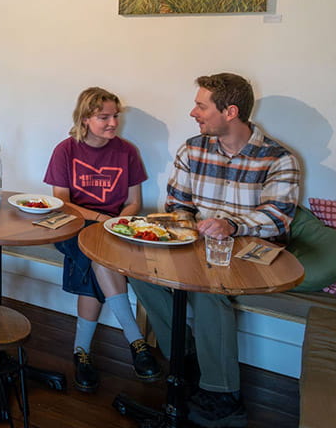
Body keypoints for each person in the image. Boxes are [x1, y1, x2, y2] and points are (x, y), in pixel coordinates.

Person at [129, 73, 300, 428]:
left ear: (230, 111)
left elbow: (277, 218)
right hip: (197, 247)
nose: (193, 112)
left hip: (250, 253)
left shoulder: (278, 159)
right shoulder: (193, 148)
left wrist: (231, 225)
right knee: (140, 272)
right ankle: (186, 357)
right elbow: (178, 203)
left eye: (201, 105)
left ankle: (222, 395)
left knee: (208, 294)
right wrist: (184, 222)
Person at [44, 87, 161, 393]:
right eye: (103, 117)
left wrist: (119, 222)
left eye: (115, 116)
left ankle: (81, 352)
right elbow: (63, 204)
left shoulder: (127, 151)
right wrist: (100, 221)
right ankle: (136, 342)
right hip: (72, 226)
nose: (112, 123)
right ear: (84, 119)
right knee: (96, 255)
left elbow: (134, 201)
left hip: (112, 229)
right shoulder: (65, 150)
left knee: (96, 259)